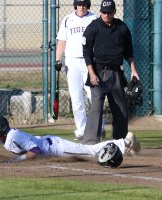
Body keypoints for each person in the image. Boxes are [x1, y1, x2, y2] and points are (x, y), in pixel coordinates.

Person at [0, 116, 140, 165]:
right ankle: (124, 143)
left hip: (55, 148)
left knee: (90, 151)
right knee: (89, 150)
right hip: (49, 145)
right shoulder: (1, 136)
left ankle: (124, 142)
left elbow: (36, 151)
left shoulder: (14, 136)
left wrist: (17, 160)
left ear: (1, 132)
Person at [82, 0, 140, 146]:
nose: (106, 15)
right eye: (104, 12)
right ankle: (90, 143)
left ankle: (119, 142)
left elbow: (129, 52)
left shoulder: (122, 28)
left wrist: (134, 70)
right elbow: (87, 52)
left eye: (109, 12)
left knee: (121, 108)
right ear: (100, 12)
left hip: (115, 73)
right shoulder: (93, 27)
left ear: (114, 12)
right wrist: (92, 73)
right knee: (96, 106)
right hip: (98, 72)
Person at [55, 0, 105, 140]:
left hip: (89, 62)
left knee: (93, 96)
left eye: (84, 4)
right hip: (72, 62)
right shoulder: (67, 19)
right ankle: (81, 129)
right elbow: (62, 41)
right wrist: (58, 60)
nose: (81, 6)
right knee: (76, 99)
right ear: (75, 5)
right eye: (79, 4)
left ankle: (99, 127)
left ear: (87, 5)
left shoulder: (95, 18)